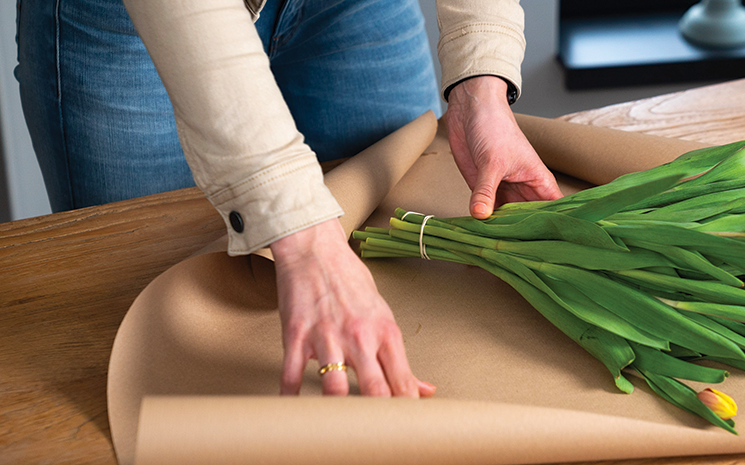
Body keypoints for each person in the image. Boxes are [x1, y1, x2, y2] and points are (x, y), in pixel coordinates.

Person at [16, 0, 562, 397]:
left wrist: (480, 77)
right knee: (155, 323)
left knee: (390, 205)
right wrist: (301, 234)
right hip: (141, 21)